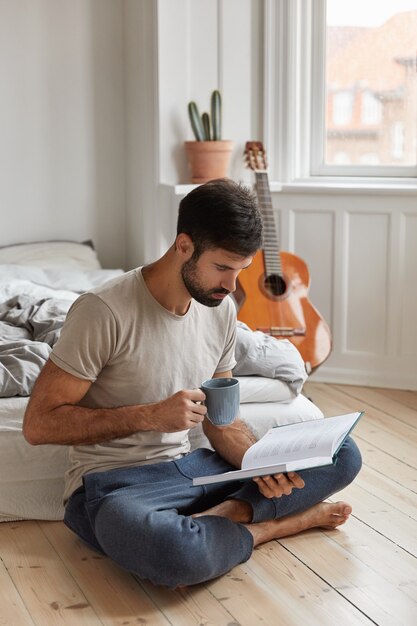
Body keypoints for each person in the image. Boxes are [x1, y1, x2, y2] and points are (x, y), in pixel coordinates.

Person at [23, 178, 362, 589]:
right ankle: (267, 527)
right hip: (115, 485)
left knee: (342, 452)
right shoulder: (103, 311)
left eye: (240, 271)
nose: (231, 286)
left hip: (195, 471)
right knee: (175, 553)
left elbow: (222, 421)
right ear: (183, 245)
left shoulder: (219, 313)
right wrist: (150, 416)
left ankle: (229, 515)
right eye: (222, 268)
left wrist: (258, 462)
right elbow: (39, 424)